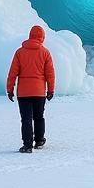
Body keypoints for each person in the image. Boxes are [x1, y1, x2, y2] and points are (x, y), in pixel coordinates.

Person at [6, 25, 56, 153]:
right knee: (39, 116)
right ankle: (39, 140)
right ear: (42, 37)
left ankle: (27, 145)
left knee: (26, 119)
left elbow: (13, 73)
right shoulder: (45, 52)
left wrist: (10, 89)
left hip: (23, 92)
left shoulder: (20, 52)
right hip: (39, 92)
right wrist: (51, 90)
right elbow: (50, 73)